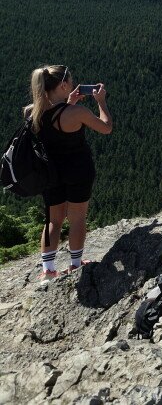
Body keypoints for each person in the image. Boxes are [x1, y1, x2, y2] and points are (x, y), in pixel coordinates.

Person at [25, 65, 112, 278]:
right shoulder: (77, 112)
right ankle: (75, 263)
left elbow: (53, 125)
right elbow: (106, 127)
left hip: (50, 173)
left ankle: (48, 270)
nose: (73, 85)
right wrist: (101, 101)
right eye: (70, 82)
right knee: (77, 218)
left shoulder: (31, 111)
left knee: (53, 220)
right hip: (78, 171)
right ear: (63, 85)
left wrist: (68, 102)